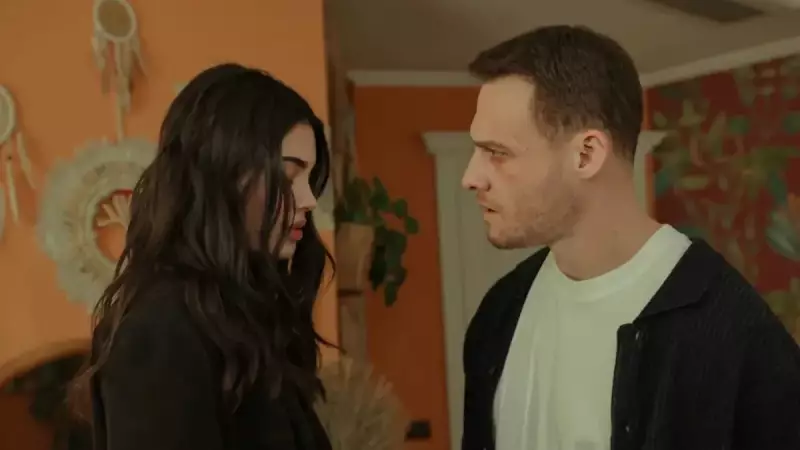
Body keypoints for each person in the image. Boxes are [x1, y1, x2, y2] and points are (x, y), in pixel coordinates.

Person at [460, 25, 800, 450]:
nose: (470, 177)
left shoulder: (733, 333)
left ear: (586, 154)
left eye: (497, 153)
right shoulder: (499, 313)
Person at [79, 63, 334, 450]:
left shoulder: (245, 322)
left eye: (310, 179)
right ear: (223, 175)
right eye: (288, 175)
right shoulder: (160, 329)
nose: (309, 200)